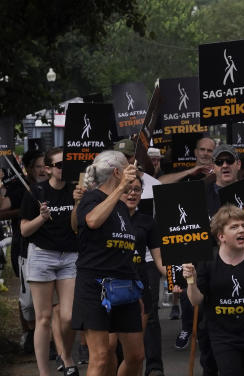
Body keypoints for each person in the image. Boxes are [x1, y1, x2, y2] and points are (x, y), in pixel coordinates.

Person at [182, 205, 244, 376]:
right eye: (234, 227)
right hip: (223, 335)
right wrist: (191, 281)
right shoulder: (208, 262)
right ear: (221, 236)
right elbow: (196, 300)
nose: (241, 230)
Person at [71, 149, 144, 376]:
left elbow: (125, 251)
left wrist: (137, 290)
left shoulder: (121, 207)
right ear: (117, 172)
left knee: (135, 355)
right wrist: (121, 188)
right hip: (94, 285)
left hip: (124, 285)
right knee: (101, 357)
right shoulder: (92, 198)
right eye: (126, 169)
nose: (131, 173)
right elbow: (91, 221)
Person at [20, 147, 80, 376]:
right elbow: (25, 230)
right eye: (59, 165)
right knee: (43, 318)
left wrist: (78, 204)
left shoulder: (76, 190)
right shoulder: (35, 192)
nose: (64, 169)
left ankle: (65, 354)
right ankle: (44, 371)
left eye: (67, 164)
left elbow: (78, 226)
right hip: (42, 255)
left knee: (69, 315)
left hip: (70, 256)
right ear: (48, 169)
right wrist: (41, 218)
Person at [0, 150, 48, 354]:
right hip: (24, 247)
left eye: (45, 166)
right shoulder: (20, 187)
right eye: (38, 166)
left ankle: (47, 337)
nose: (43, 170)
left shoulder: (55, 186)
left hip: (51, 249)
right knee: (26, 298)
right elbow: (2, 209)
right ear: (28, 168)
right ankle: (28, 332)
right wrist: (25, 210)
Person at [121, 175, 166, 376]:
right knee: (111, 350)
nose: (132, 194)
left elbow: (160, 260)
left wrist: (179, 276)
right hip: (112, 288)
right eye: (127, 189)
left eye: (137, 190)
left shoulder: (147, 222)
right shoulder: (108, 218)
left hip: (139, 286)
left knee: (136, 352)